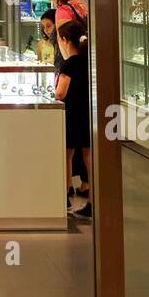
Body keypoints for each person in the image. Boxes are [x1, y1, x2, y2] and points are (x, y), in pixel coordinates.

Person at [55, 18, 91, 221]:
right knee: (88, 156)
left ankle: (65, 196)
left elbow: (60, 94)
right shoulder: (90, 61)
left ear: (65, 40)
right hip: (88, 114)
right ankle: (93, 201)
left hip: (71, 114)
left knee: (66, 155)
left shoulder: (69, 65)